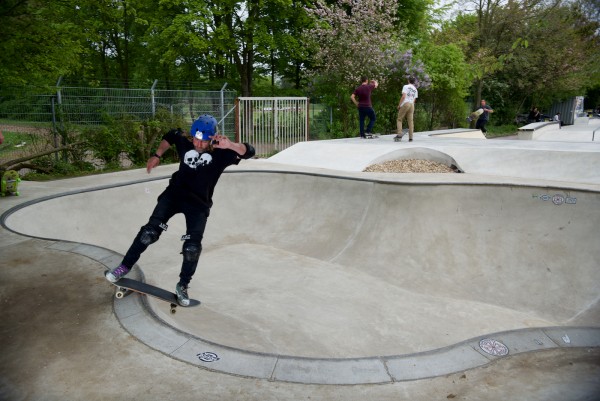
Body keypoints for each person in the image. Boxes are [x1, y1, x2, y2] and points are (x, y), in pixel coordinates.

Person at [104, 114, 255, 306]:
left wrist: (231, 145)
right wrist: (157, 155)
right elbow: (169, 136)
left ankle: (183, 286)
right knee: (148, 233)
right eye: (196, 139)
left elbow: (249, 151)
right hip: (173, 195)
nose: (199, 144)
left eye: (204, 141)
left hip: (199, 204)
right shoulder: (184, 141)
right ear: (192, 136)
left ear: (212, 138)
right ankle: (123, 267)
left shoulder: (222, 152)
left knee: (192, 248)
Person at [395, 76, 419, 142]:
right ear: (414, 82)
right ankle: (411, 137)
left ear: (408, 81)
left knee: (399, 119)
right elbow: (414, 99)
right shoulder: (415, 89)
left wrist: (399, 105)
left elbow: (403, 96)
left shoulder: (406, 86)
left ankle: (399, 134)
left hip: (406, 103)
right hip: (412, 104)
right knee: (410, 121)